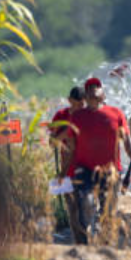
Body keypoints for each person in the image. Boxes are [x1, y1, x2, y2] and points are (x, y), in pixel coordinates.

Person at [61, 82, 131, 244]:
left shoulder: (116, 113)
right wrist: (63, 172)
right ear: (85, 97)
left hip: (111, 171)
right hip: (85, 170)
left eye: (97, 89)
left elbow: (127, 139)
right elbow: (70, 147)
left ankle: (106, 243)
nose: (93, 92)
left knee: (108, 210)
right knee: (86, 203)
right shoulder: (78, 117)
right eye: (90, 90)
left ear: (103, 95)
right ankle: (85, 240)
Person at [50, 86, 86, 238]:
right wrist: (68, 131)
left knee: (85, 208)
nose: (78, 108)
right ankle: (79, 241)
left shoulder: (89, 115)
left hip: (86, 168)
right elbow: (52, 143)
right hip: (66, 169)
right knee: (72, 208)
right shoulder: (60, 115)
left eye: (81, 104)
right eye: (75, 104)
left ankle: (84, 239)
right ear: (69, 100)